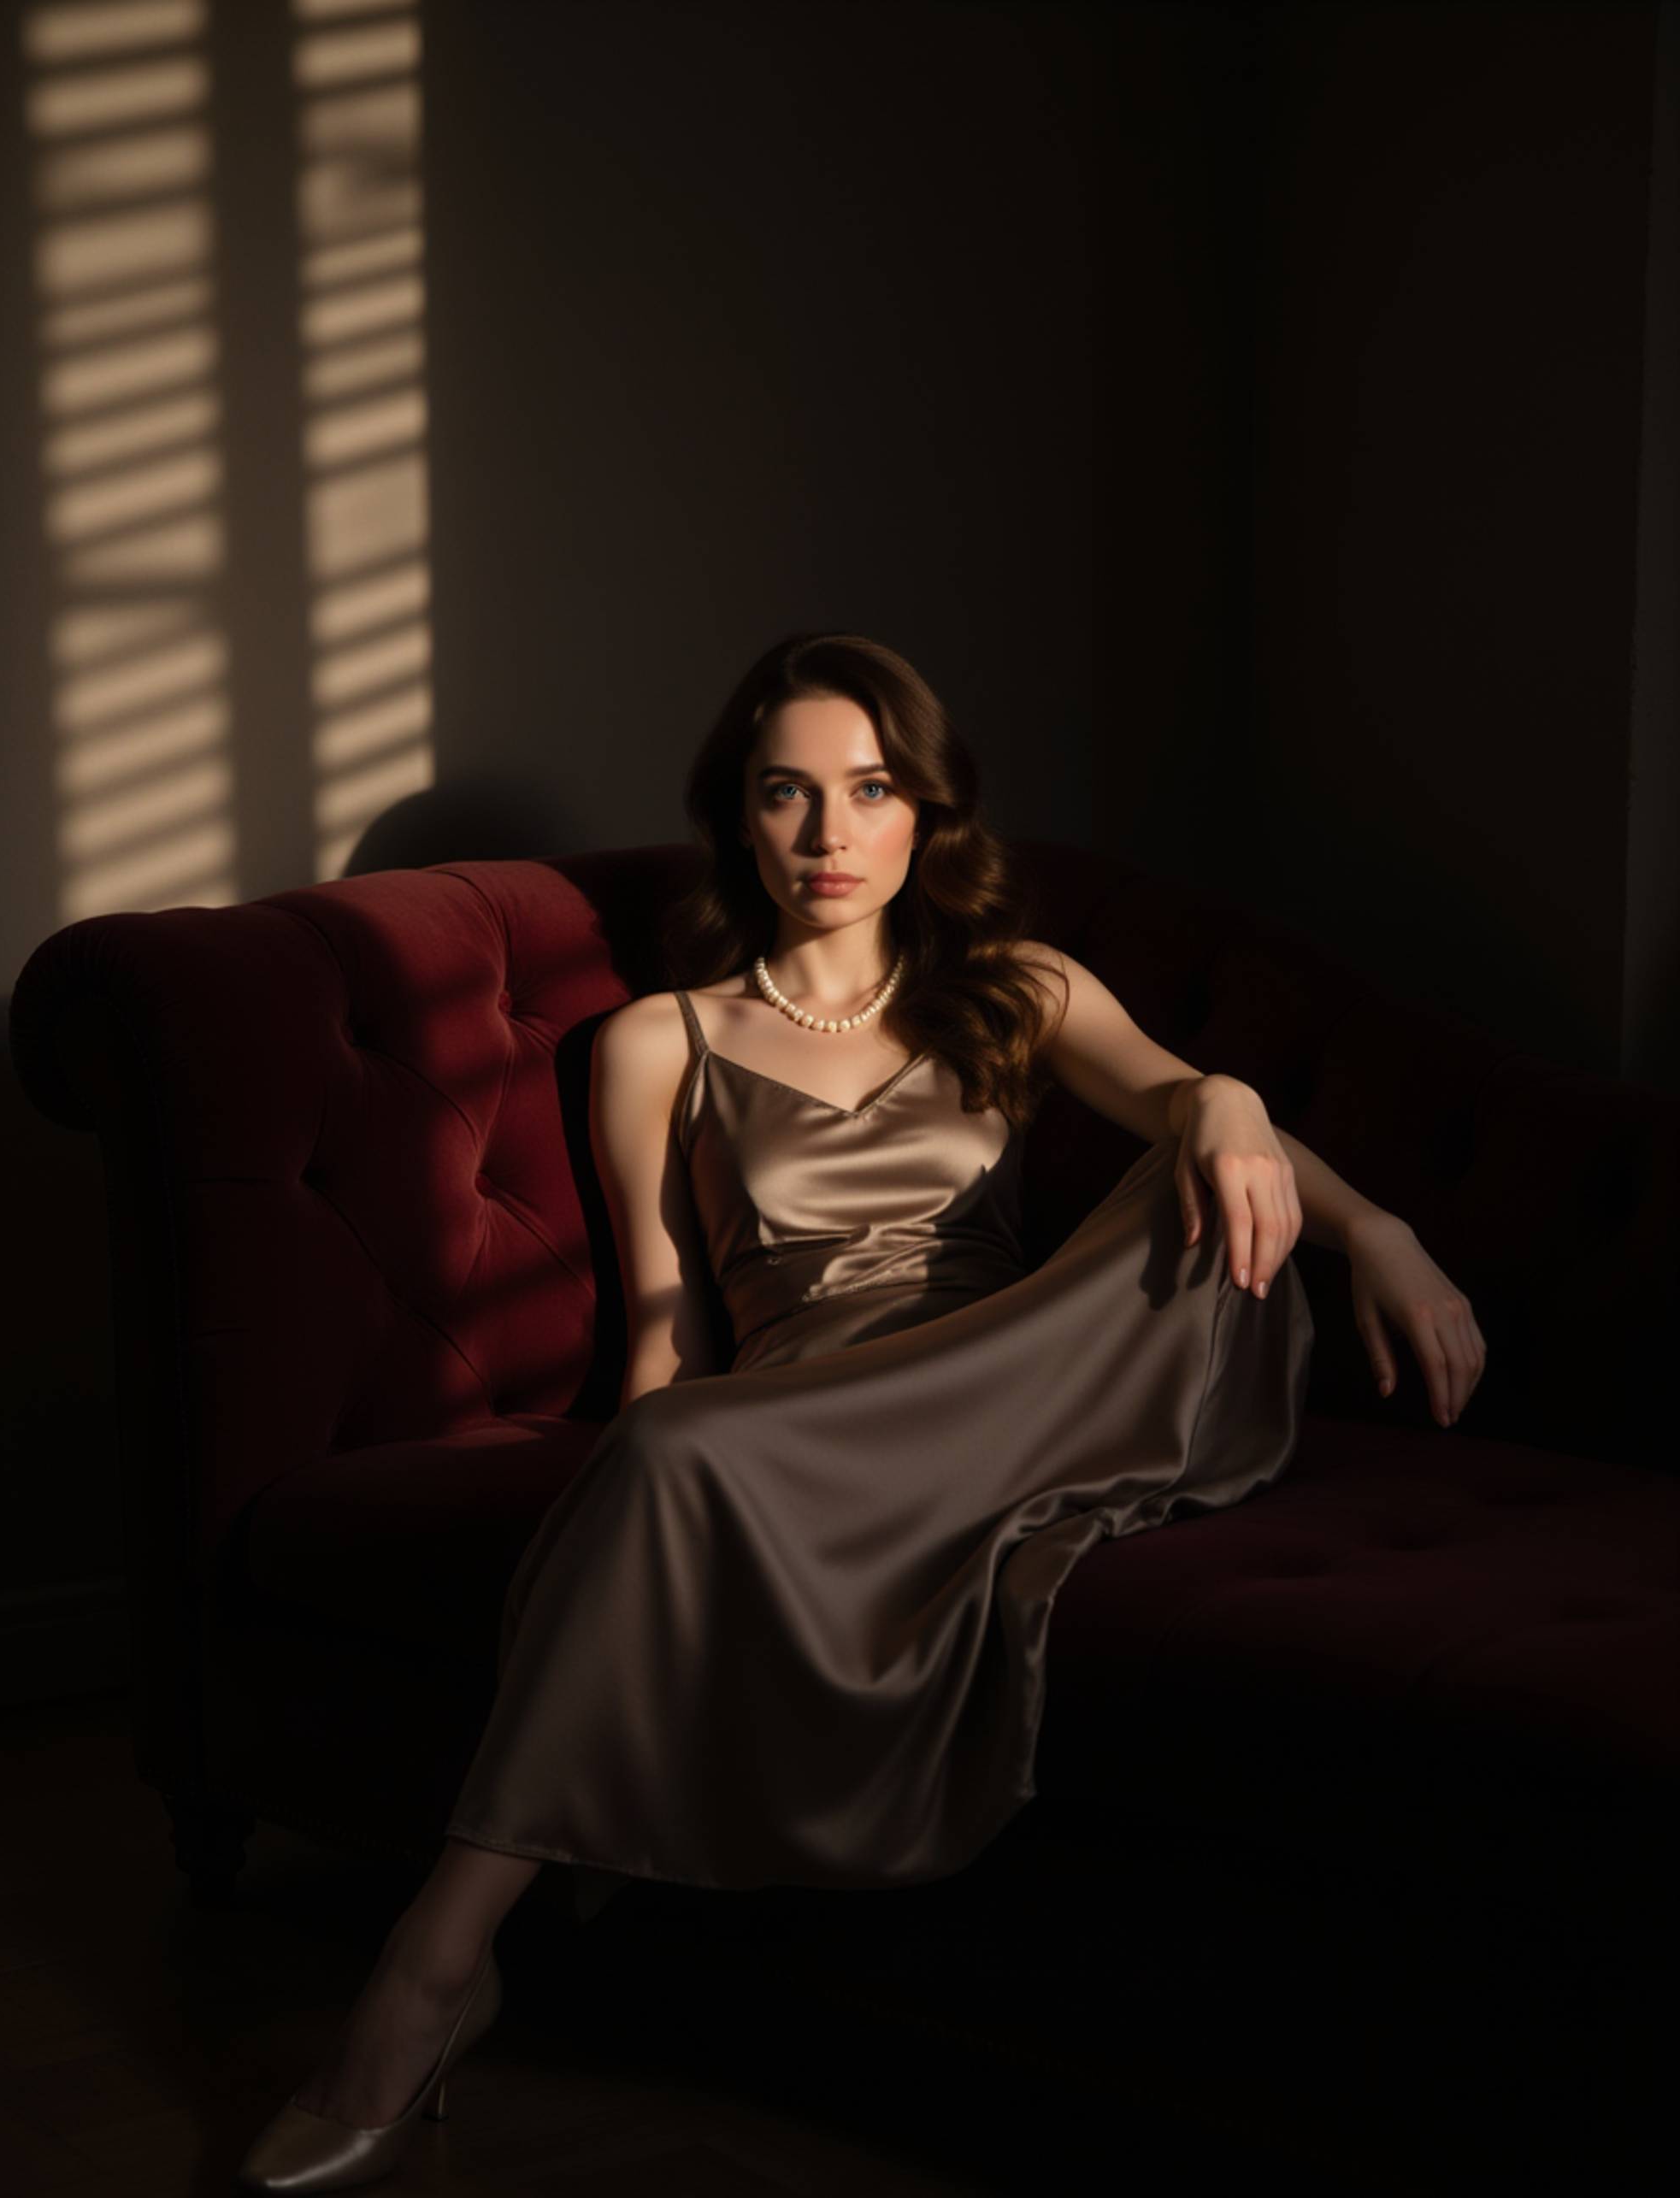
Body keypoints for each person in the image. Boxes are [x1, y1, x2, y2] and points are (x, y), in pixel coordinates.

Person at [237, 631, 1488, 2191]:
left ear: (926, 815)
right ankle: (437, 1969)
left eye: (870, 789)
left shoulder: (1019, 991)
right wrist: (638, 1486)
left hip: (1032, 1372)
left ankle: (425, 1972)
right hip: (807, 1414)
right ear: (739, 819)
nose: (830, 837)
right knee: (677, 1447)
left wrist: (1351, 1209)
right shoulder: (660, 1042)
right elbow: (663, 1333)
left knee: (1200, 1169)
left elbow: (1181, 1106)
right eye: (789, 795)